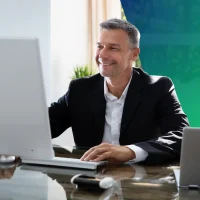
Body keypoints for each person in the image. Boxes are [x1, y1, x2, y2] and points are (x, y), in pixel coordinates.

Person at [49, 18, 189, 164]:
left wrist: (131, 151)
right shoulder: (80, 89)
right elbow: (44, 126)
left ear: (134, 54)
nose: (102, 55)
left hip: (141, 180)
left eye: (113, 48)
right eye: (100, 46)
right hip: (90, 180)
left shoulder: (159, 87)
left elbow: (182, 136)